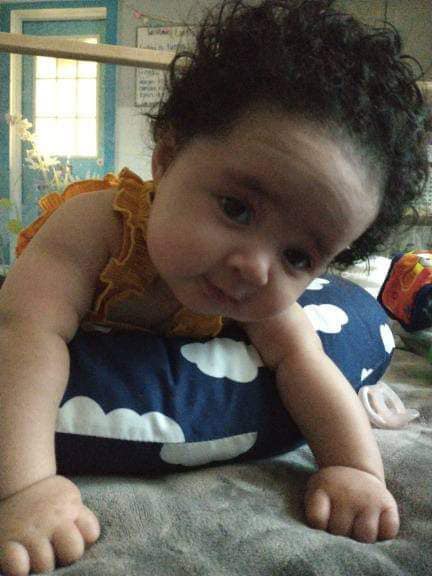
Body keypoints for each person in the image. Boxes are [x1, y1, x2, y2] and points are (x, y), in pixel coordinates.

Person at [0, 0, 430, 573]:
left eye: (299, 256)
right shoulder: (96, 228)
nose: (256, 268)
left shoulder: (257, 292)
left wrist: (355, 468)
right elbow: (26, 334)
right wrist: (26, 487)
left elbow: (304, 361)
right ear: (167, 158)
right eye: (237, 208)